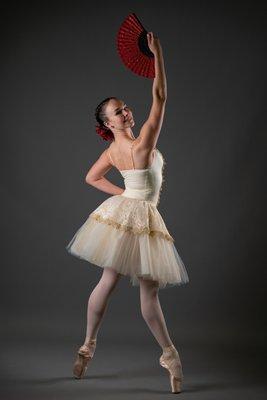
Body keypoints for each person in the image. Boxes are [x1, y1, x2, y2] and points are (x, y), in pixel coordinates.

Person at [65, 32, 189, 393]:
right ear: (109, 124)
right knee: (147, 295)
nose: (126, 111)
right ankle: (171, 358)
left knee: (108, 281)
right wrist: (159, 54)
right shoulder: (142, 144)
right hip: (141, 218)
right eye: (118, 111)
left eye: (125, 106)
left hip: (124, 214)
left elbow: (91, 177)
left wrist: (123, 193)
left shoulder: (114, 153)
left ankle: (87, 347)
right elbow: (161, 96)